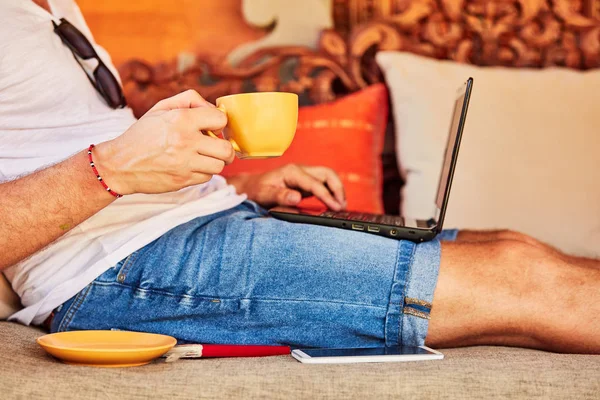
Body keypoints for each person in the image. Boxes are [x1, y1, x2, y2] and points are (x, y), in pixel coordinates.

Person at [0, 0, 598, 353]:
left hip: (194, 223)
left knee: (517, 246)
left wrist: (240, 188)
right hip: (118, 268)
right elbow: (106, 170)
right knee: (525, 278)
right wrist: (113, 168)